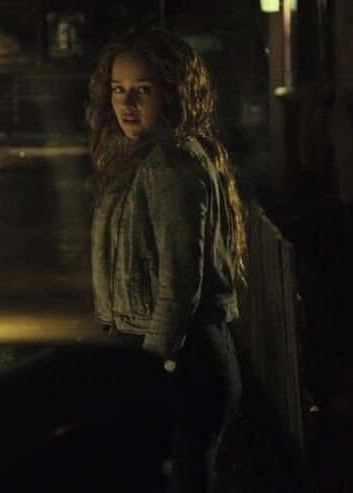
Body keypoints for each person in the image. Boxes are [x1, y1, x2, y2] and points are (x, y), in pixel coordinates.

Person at [88, 28, 245, 493]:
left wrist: (150, 368)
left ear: (172, 92)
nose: (126, 102)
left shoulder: (168, 166)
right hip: (174, 352)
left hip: (181, 357)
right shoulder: (150, 157)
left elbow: (179, 284)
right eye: (118, 89)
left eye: (143, 89)